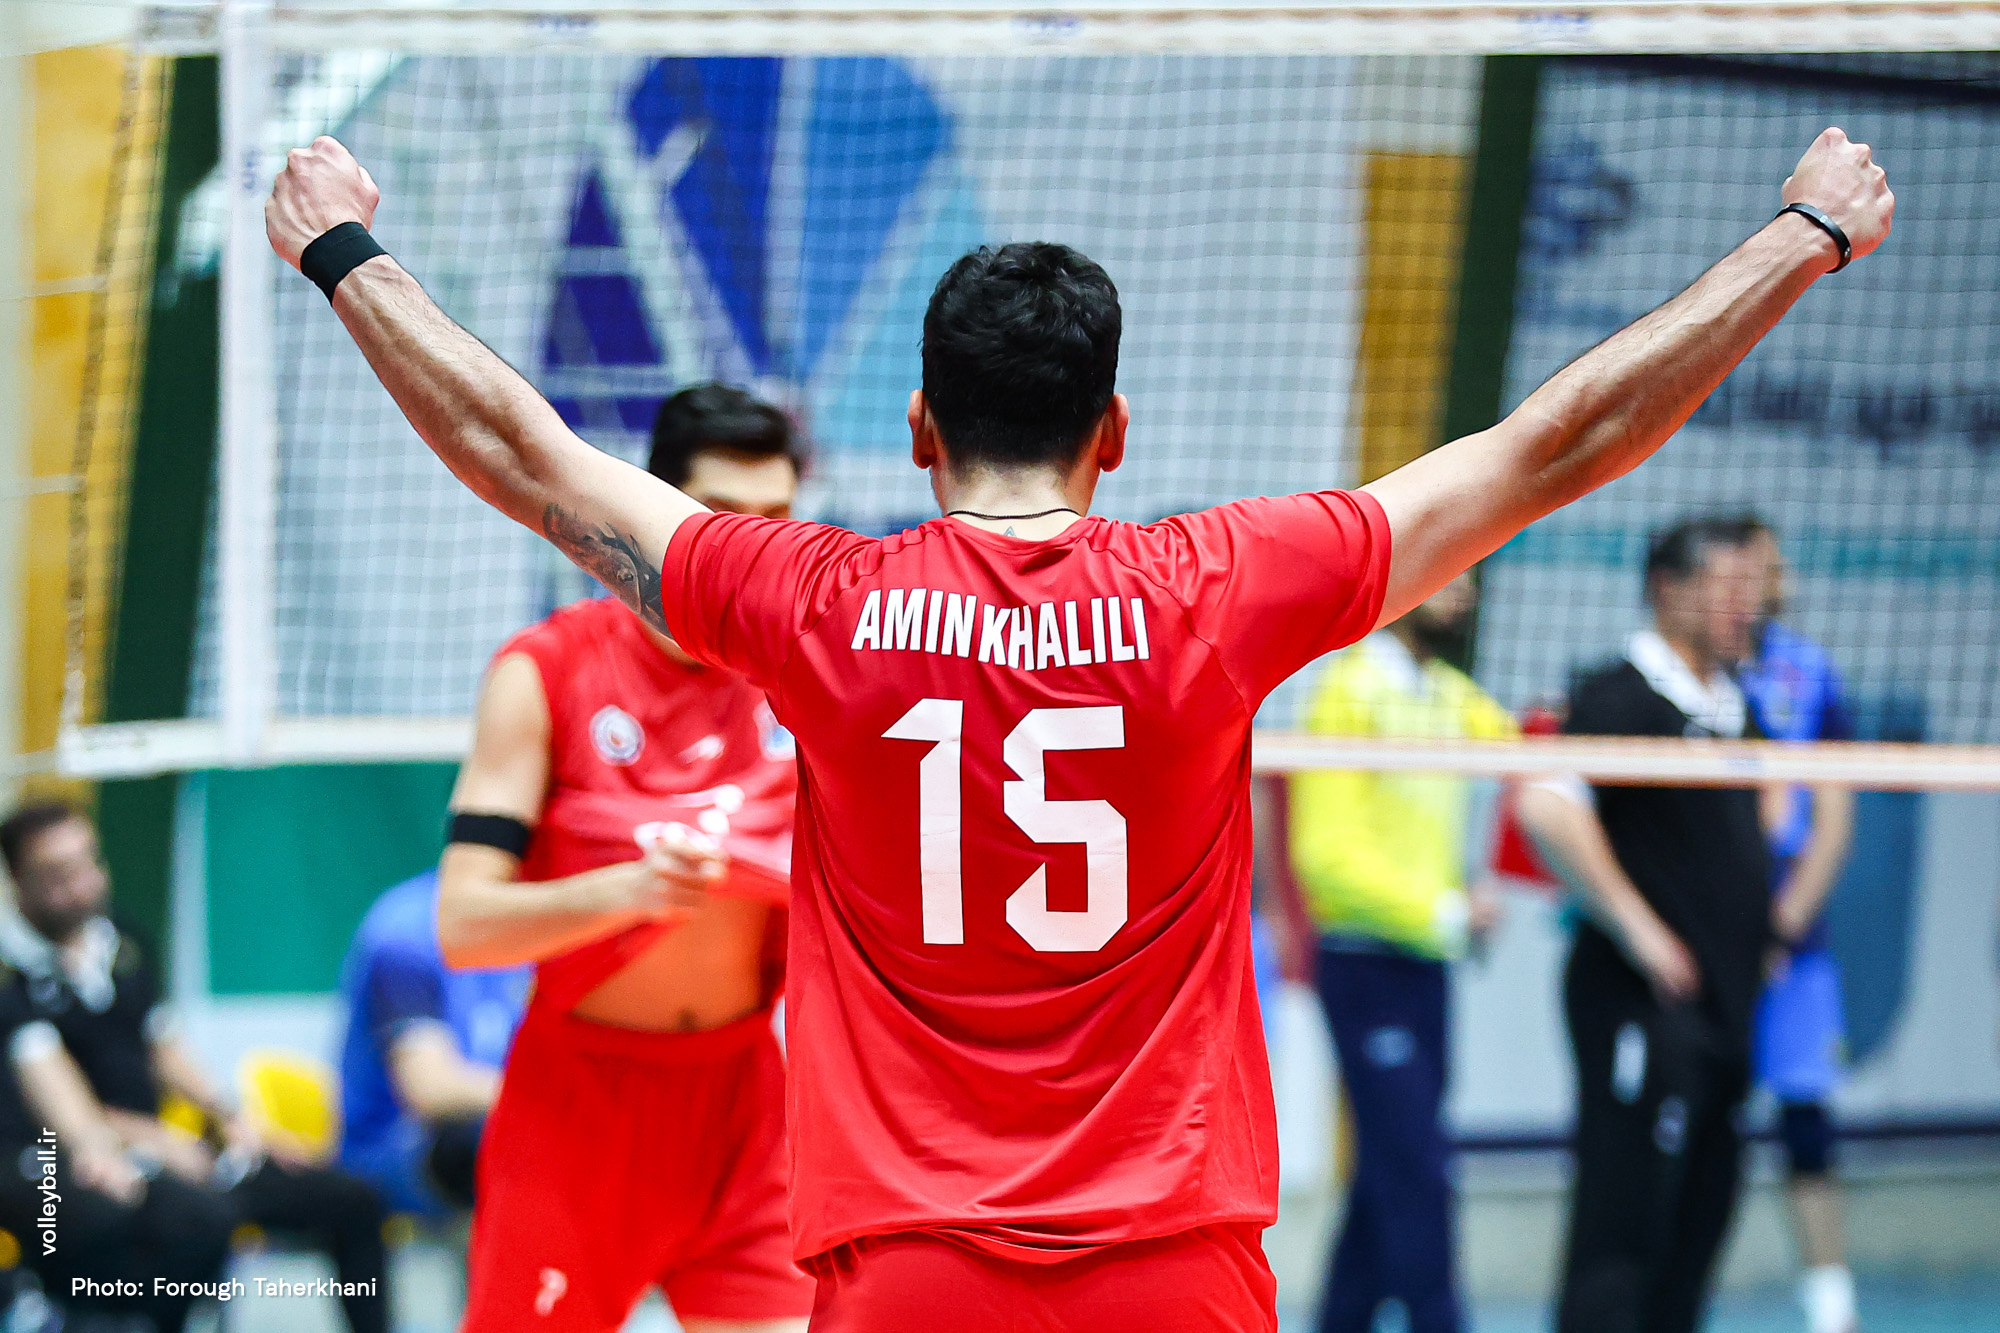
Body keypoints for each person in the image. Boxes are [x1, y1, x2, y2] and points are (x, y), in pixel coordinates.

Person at [264, 127, 1891, 1331]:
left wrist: (342, 252)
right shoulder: (1225, 584)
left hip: (905, 1263)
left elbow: (524, 453)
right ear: (1115, 428)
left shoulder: (808, 600)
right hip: (1173, 1258)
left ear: (919, 427)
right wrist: (1801, 235)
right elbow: (1555, 444)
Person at [438, 383, 813, 1333]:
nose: (753, 546)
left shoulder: (801, 672)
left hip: (746, 1099)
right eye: (724, 515)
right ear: (655, 507)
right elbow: (466, 925)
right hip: (581, 1108)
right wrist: (628, 890)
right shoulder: (545, 671)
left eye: (776, 517)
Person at [1518, 516, 1777, 1333]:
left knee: (1699, 1223)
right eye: (1729, 587)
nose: (1748, 605)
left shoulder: (1738, 706)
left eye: (1754, 588)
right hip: (1641, 1007)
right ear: (1669, 590)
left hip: (1727, 1010)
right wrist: (1640, 927)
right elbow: (1545, 805)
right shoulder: (1620, 694)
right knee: (1624, 1218)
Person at [0, 802, 388, 1333]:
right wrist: (150, 1142)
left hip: (157, 1148)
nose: (82, 885)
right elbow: (57, 1099)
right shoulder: (11, 977)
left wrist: (232, 1119)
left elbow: (161, 1043)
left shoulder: (125, 941)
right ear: (19, 881)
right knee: (193, 1221)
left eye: (89, 863)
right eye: (59, 874)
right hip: (56, 1158)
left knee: (352, 1200)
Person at [1280, 572, 1516, 1333]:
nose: (1464, 595)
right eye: (1450, 578)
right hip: (1364, 964)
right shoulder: (1346, 693)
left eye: (1471, 580)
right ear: (1407, 582)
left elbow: (1528, 751)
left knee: (1388, 1172)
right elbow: (1324, 857)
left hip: (1428, 966)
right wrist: (1444, 909)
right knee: (1416, 1171)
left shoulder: (1449, 694)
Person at [1736, 518, 1860, 1333]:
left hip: (1792, 944)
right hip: (1702, 942)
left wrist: (1779, 929)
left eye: (1774, 566)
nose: (1770, 579)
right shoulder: (1694, 673)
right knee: (1688, 1129)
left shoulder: (1809, 673)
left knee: (1806, 1123)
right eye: (1755, 565)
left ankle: (1831, 1305)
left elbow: (1835, 818)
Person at [336, 868, 529, 1215]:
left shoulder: (546, 920)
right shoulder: (407, 929)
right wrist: (552, 1101)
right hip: (397, 1149)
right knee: (481, 1141)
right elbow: (430, 1089)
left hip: (499, 1126)